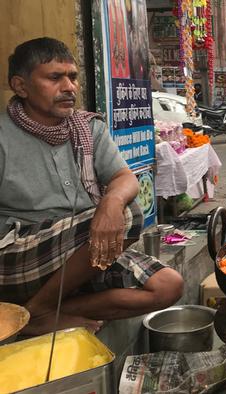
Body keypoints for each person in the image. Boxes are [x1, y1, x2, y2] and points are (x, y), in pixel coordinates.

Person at [0, 37, 183, 335]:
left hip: (80, 249)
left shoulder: (87, 128)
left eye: (72, 77)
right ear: (21, 87)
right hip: (18, 256)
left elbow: (123, 178)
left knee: (167, 286)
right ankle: (42, 309)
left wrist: (110, 203)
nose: (69, 87)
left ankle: (34, 314)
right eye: (54, 77)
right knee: (128, 215)